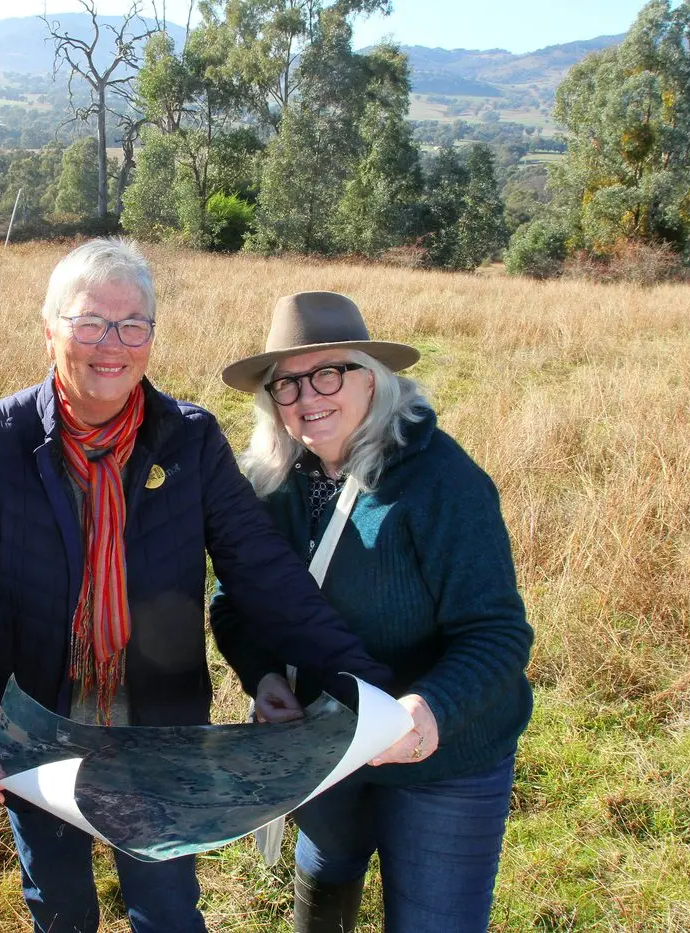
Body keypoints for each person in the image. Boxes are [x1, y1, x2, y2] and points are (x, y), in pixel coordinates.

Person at [0, 240, 395, 933]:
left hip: (160, 728)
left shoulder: (189, 440)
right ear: (49, 329)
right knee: (58, 905)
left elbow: (264, 574)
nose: (111, 344)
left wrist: (365, 684)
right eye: (89, 323)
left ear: (150, 335)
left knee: (168, 904)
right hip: (36, 725)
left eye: (132, 324)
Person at [211, 291, 534, 933]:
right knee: (327, 872)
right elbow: (235, 604)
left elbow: (497, 634)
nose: (308, 397)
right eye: (287, 385)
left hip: (441, 756)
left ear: (371, 377)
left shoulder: (442, 482)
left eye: (328, 372)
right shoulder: (272, 482)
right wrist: (267, 678)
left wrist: (430, 708)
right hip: (323, 740)